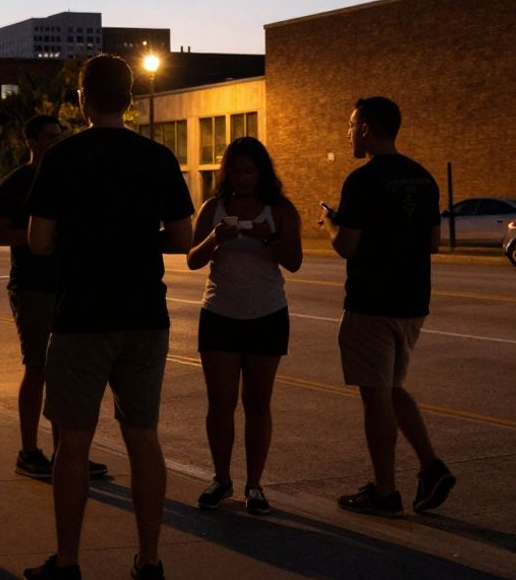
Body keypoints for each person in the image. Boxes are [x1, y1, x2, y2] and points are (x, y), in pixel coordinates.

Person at [24, 54, 193, 580]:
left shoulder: (62, 158)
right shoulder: (157, 157)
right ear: (130, 99)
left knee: (72, 441)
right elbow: (184, 238)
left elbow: (39, 239)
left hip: (82, 315)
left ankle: (69, 561)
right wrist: (137, 240)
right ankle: (149, 559)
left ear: (82, 99)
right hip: (145, 312)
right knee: (143, 436)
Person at [322, 96, 456, 517]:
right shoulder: (424, 177)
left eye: (350, 125)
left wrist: (329, 221)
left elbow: (346, 246)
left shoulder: (361, 182)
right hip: (413, 302)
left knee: (376, 397)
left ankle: (385, 491)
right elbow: (433, 243)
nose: (348, 133)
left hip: (372, 303)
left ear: (365, 128)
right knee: (393, 388)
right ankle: (431, 467)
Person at [186, 137, 302, 515]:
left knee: (257, 403)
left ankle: (255, 484)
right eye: (235, 171)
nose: (242, 178)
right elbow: (192, 259)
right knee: (220, 403)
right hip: (220, 313)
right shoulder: (214, 207)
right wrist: (213, 239)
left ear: (262, 172)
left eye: (249, 170)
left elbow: (294, 261)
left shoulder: (279, 209)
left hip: (266, 314)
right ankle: (221, 478)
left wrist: (265, 236)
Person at [0, 114, 108, 483]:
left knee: (68, 371)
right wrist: (39, 236)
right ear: (32, 142)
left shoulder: (72, 177)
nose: (58, 142)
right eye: (50, 137)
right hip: (32, 286)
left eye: (62, 135)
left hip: (70, 284)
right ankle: (29, 451)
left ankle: (67, 453)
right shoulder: (16, 182)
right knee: (38, 367)